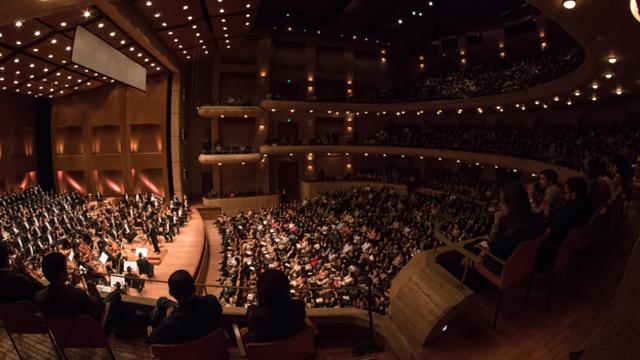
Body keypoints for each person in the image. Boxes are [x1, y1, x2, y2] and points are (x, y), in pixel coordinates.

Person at [149, 270, 222, 345]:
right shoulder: (211, 301)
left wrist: (167, 318)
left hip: (184, 355)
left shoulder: (169, 323)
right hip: (211, 347)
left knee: (161, 302)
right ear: (194, 287)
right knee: (163, 302)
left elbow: (152, 340)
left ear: (171, 293)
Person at [536, 177, 593, 272]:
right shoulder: (587, 204)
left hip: (553, 248)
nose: (563, 195)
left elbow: (550, 231)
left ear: (574, 195)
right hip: (567, 243)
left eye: (566, 192)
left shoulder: (571, 211)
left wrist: (546, 217)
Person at [34, 252, 105, 323]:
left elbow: (60, 295)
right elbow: (99, 306)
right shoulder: (79, 295)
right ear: (62, 274)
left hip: (60, 333)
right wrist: (89, 282)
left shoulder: (39, 297)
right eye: (66, 269)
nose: (68, 272)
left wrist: (72, 284)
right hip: (83, 331)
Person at [245, 269, 307, 343]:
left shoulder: (254, 315)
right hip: (295, 351)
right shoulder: (299, 307)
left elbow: (251, 328)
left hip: (266, 353)